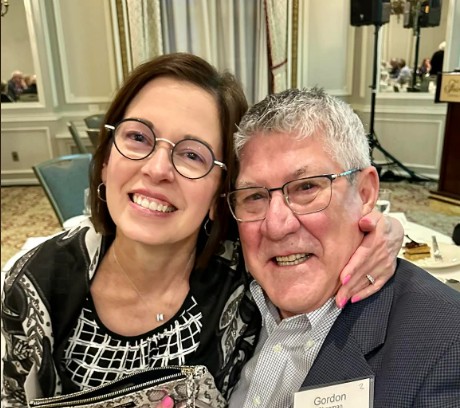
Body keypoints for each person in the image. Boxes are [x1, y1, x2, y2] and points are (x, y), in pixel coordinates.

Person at [1, 54, 403, 407]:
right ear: (106, 159)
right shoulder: (36, 285)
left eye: (192, 155)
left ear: (218, 193)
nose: (157, 169)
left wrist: (380, 229)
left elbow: (315, 240)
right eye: (138, 137)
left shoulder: (246, 273)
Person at [225, 87, 460, 407]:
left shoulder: (446, 348)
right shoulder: (224, 289)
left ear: (364, 193)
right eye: (254, 195)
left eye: (307, 187)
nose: (276, 225)